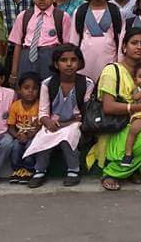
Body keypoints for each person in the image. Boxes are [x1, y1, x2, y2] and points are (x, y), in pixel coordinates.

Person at [88, 28, 141, 191]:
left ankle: (135, 168)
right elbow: (108, 107)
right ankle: (112, 172)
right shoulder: (112, 71)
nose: (139, 47)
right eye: (134, 43)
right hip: (119, 125)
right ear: (124, 47)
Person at [24, 45, 93, 188]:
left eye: (73, 60)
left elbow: (86, 112)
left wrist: (69, 123)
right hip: (53, 123)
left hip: (76, 123)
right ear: (56, 64)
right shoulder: (47, 84)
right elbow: (43, 112)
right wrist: (47, 121)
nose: (69, 64)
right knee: (44, 136)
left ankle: (74, 170)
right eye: (64, 60)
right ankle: (40, 171)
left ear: (80, 63)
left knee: (69, 136)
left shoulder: (87, 83)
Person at [9, 0, 72, 83]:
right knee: (27, 87)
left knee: (49, 87)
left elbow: (67, 46)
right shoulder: (24, 16)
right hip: (27, 56)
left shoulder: (62, 16)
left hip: (50, 56)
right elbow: (18, 45)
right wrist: (14, 73)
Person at [72, 0, 123, 81]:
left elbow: (121, 38)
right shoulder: (80, 11)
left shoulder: (115, 11)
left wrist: (120, 62)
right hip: (85, 60)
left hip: (109, 58)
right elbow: (74, 39)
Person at [7, 72, 41, 184]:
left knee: (30, 146)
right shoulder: (15, 106)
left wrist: (30, 135)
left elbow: (40, 126)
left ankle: (29, 170)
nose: (30, 91)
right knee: (16, 147)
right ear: (19, 90)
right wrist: (17, 136)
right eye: (26, 88)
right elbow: (10, 127)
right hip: (19, 135)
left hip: (34, 135)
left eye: (34, 89)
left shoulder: (40, 105)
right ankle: (17, 170)